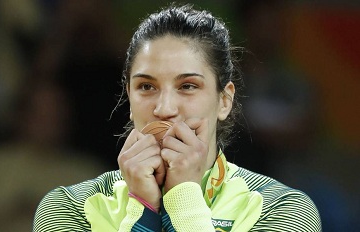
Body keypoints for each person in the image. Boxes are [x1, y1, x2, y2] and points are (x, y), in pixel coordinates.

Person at [33, 4, 321, 231]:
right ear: (129, 100)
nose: (164, 107)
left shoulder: (283, 210)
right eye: (146, 87)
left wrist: (183, 197)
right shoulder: (68, 207)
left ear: (224, 100)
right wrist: (142, 208)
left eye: (187, 86)